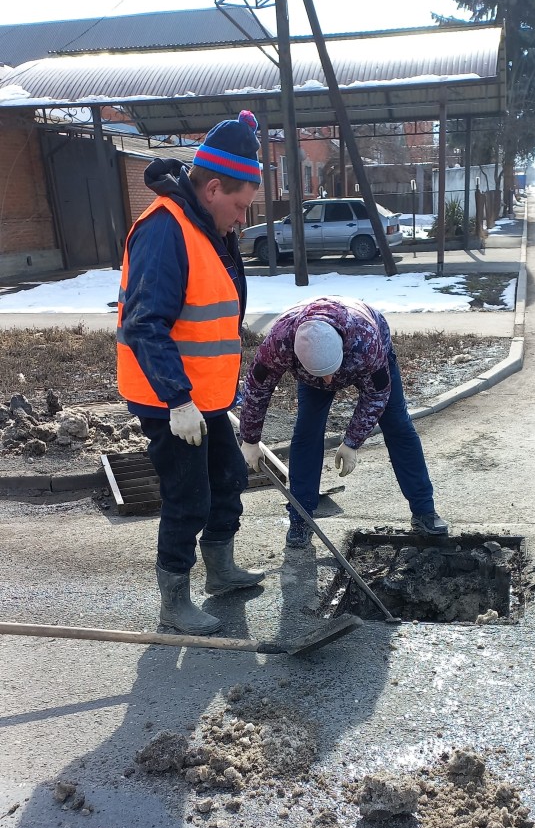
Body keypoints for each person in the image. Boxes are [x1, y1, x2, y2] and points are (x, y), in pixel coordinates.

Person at [117, 110, 265, 634]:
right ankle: (174, 600)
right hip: (168, 398)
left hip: (204, 395)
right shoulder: (165, 230)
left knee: (228, 476)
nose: (243, 219)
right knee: (188, 496)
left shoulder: (207, 226)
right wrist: (178, 399)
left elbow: (214, 321)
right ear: (214, 187)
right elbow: (144, 322)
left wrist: (231, 394)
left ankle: (220, 570)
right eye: (241, 207)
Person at [238, 296, 448, 547]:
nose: (329, 382)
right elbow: (257, 388)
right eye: (321, 374)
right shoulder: (279, 342)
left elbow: (376, 395)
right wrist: (250, 439)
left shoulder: (366, 342)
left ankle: (424, 511)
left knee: (399, 427)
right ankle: (301, 518)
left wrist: (352, 442)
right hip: (309, 373)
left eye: (331, 371)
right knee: (306, 433)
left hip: (365, 350)